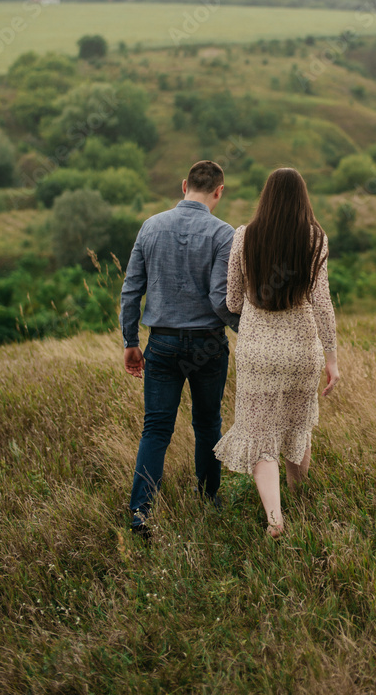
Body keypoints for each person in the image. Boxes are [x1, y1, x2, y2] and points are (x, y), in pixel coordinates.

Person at [214, 167, 340, 537]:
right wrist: (332, 359)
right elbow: (322, 303)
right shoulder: (316, 238)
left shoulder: (245, 236)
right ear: (303, 198)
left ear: (265, 197)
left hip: (257, 351)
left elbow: (232, 300)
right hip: (302, 349)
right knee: (297, 426)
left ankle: (275, 518)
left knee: (259, 433)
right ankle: (300, 499)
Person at [120, 160, 240, 539]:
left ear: (185, 184)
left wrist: (130, 341)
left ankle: (141, 513)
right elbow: (220, 299)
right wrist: (246, 328)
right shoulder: (223, 234)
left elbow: (130, 290)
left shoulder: (150, 226)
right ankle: (208, 500)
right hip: (207, 344)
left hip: (163, 342)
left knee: (155, 429)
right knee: (207, 425)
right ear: (219, 191)